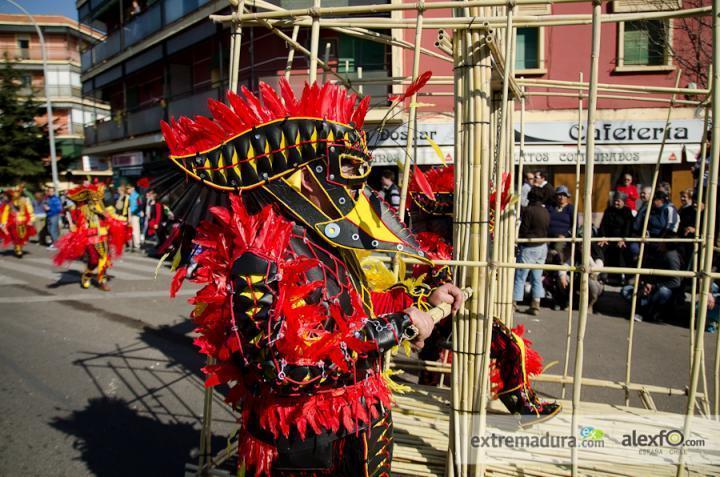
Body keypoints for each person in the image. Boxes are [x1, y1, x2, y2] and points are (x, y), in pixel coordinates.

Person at [159, 79, 467, 476]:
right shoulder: (260, 259)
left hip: (361, 427)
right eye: (351, 167)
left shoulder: (324, 238)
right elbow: (281, 369)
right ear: (308, 174)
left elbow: (356, 310)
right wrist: (399, 326)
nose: (361, 182)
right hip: (306, 446)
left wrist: (421, 300)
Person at [53, 184, 130, 291]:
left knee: (104, 258)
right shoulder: (81, 207)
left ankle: (102, 280)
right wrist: (71, 224)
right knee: (93, 261)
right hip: (89, 237)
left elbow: (111, 216)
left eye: (97, 196)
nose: (95, 198)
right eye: (93, 197)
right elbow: (67, 211)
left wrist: (122, 221)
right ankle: (87, 275)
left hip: (102, 235)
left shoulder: (102, 206)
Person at [622, 240, 683, 323]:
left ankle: (648, 311)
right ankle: (641, 309)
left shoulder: (671, 257)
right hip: (649, 284)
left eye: (662, 242)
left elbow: (676, 282)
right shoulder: (658, 252)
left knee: (663, 292)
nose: (659, 243)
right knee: (626, 290)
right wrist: (645, 283)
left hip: (662, 288)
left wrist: (655, 286)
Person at [514, 187, 550, 315]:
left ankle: (514, 302)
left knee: (520, 276)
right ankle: (536, 304)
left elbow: (524, 229)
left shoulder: (529, 211)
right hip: (542, 246)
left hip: (529, 246)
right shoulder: (545, 211)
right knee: (537, 276)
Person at [598, 192, 634, 279]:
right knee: (600, 247)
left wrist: (623, 239)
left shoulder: (627, 211)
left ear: (623, 202)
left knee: (621, 249)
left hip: (621, 238)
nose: (615, 203)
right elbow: (603, 225)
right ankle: (603, 272)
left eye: (618, 201)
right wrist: (603, 237)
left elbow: (628, 227)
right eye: (614, 201)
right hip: (608, 238)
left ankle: (622, 274)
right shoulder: (608, 210)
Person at [0, 185, 36, 258]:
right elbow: (5, 213)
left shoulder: (25, 200)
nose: (16, 194)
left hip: (23, 221)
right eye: (14, 192)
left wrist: (31, 220)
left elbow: (30, 210)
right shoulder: (8, 203)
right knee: (15, 236)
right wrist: (3, 222)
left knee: (22, 237)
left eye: (17, 192)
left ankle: (19, 247)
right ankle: (18, 249)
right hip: (13, 223)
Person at [547, 185, 574, 261]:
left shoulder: (570, 208)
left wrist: (565, 235)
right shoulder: (550, 208)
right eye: (559, 195)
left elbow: (575, 225)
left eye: (564, 195)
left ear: (567, 197)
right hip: (549, 236)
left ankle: (560, 270)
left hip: (563, 237)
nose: (562, 197)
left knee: (558, 249)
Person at [678, 188, 698, 267]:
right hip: (682, 238)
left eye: (684, 197)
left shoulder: (692, 210)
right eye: (681, 196)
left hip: (689, 239)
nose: (682, 199)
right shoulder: (681, 209)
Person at [127, 184, 142, 251]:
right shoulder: (130, 196)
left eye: (129, 189)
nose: (127, 190)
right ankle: (133, 244)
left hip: (135, 215)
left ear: (133, 188)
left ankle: (137, 244)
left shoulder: (137, 196)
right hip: (131, 214)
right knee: (132, 230)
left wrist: (135, 212)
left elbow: (140, 205)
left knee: (136, 230)